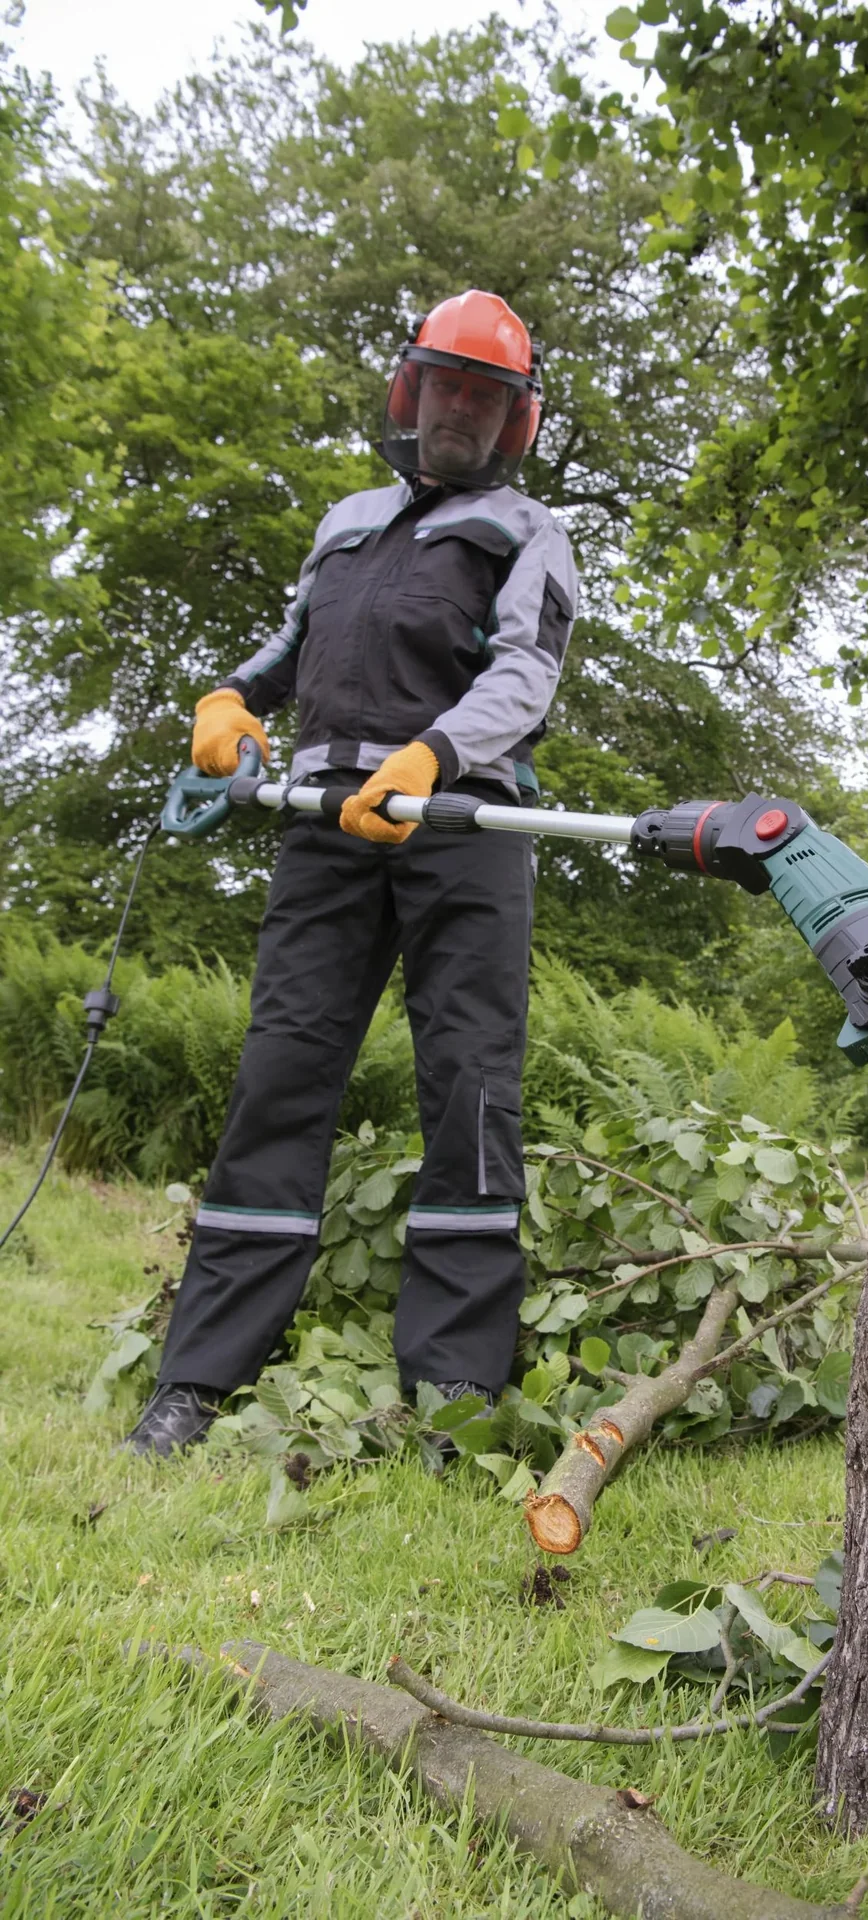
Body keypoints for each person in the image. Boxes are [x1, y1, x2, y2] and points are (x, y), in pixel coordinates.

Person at [124, 290, 577, 1458]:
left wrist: (436, 753)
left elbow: (527, 676)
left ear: (512, 420)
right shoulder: (347, 524)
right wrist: (227, 701)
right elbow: (284, 652)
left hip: (465, 822)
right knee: (281, 1073)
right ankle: (199, 1377)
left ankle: (455, 1395)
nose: (461, 412)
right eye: (447, 388)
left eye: (486, 397)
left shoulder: (528, 531)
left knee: (470, 1086)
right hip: (323, 823)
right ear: (412, 391)